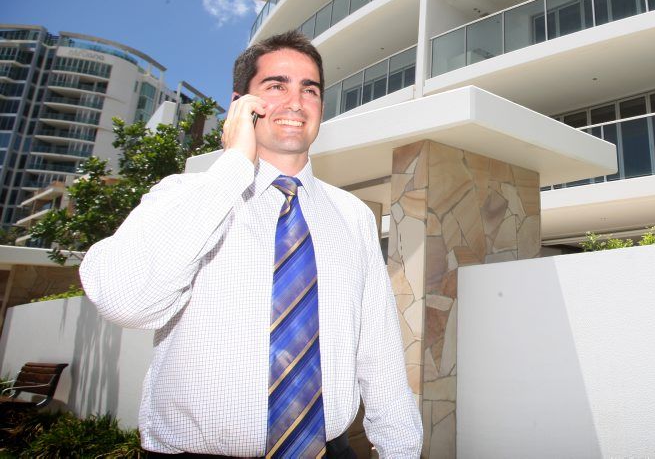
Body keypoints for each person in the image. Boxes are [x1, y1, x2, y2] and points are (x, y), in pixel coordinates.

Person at [80, 31, 422, 458]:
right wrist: (235, 166)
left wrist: (401, 451)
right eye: (276, 86)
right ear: (240, 103)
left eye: (309, 89)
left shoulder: (352, 215)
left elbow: (380, 351)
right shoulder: (184, 196)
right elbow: (125, 301)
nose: (296, 102)